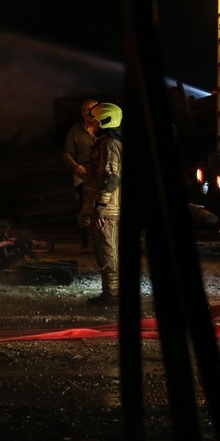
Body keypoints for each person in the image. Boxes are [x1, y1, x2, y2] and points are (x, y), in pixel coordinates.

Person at [80, 102, 123, 306]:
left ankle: (113, 295)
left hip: (107, 210)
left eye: (95, 121)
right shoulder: (104, 143)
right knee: (103, 250)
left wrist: (101, 207)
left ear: (105, 121)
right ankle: (110, 292)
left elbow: (111, 177)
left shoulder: (110, 144)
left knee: (108, 251)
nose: (92, 124)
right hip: (103, 208)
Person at [62, 98, 100, 247]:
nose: (91, 113)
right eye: (88, 110)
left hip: (100, 175)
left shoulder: (104, 128)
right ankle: (86, 240)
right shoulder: (76, 131)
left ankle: (102, 238)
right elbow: (67, 153)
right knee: (83, 208)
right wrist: (75, 166)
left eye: (94, 110)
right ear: (83, 113)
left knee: (101, 206)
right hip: (82, 175)